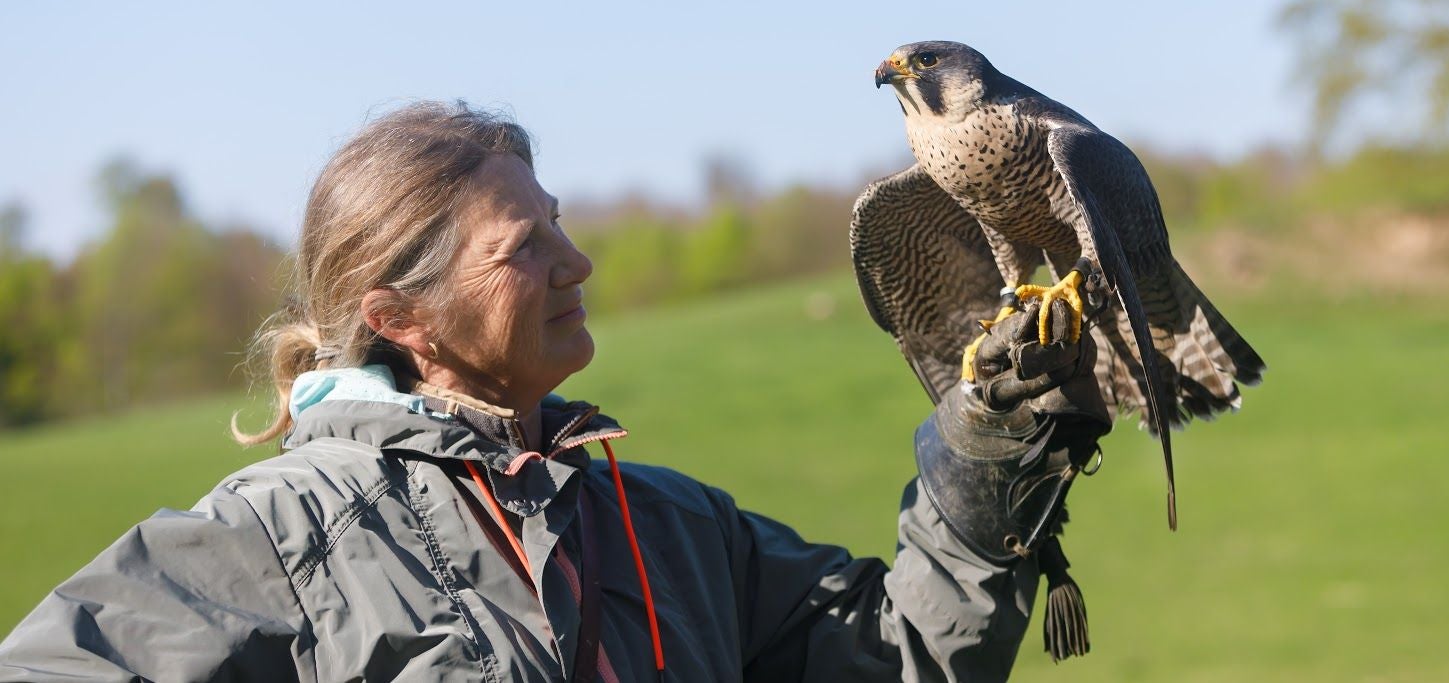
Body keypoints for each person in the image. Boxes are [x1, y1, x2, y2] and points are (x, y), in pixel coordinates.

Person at [0, 102, 1083, 682]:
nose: (578, 262)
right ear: (399, 317)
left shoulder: (671, 524)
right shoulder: (281, 538)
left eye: (559, 219)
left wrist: (985, 458)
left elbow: (903, 658)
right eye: (526, 245)